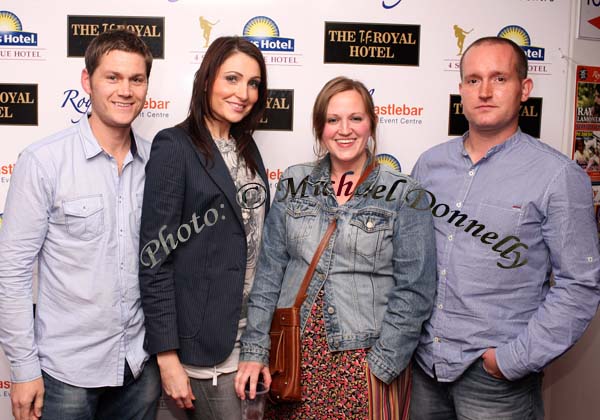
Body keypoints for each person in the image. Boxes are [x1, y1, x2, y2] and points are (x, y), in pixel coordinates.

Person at [410, 36, 600, 420]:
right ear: (461, 89)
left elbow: (579, 285)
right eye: (473, 79)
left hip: (496, 383)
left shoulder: (558, 175)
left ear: (524, 89)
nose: (484, 91)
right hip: (426, 369)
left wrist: (510, 361)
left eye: (499, 78)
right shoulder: (429, 166)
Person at [235, 76, 437, 419]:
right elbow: (269, 274)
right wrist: (255, 350)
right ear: (319, 129)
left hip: (366, 361)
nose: (345, 130)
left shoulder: (405, 193)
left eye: (355, 118)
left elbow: (415, 289)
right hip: (295, 361)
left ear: (371, 124)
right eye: (333, 120)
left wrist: (383, 364)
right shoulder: (294, 182)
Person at [0, 29, 161, 420]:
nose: (125, 90)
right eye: (113, 77)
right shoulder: (44, 161)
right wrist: (22, 369)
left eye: (136, 79)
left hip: (139, 368)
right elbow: (13, 272)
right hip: (66, 374)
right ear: (87, 81)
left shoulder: (157, 164)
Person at [138, 36, 269, 420]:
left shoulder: (247, 147)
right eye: (231, 78)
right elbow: (154, 260)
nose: (243, 93)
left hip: (248, 343)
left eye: (253, 83)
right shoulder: (174, 146)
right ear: (207, 79)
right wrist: (167, 359)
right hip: (198, 352)